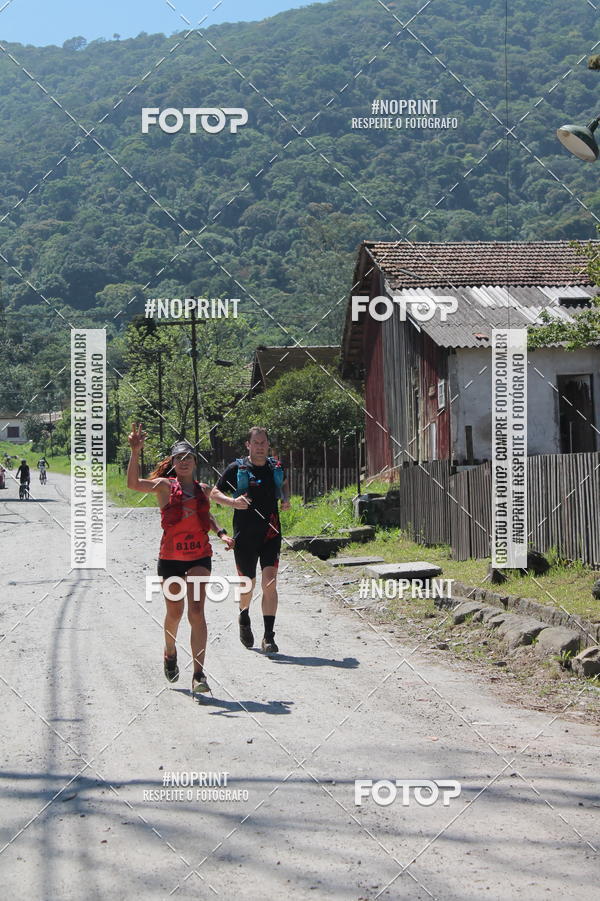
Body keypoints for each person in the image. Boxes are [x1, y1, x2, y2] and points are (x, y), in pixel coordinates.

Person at [127, 424, 234, 694]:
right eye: (179, 458)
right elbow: (133, 484)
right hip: (171, 559)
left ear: (195, 463)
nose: (184, 462)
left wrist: (233, 506)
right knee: (174, 613)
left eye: (188, 458)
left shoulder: (203, 489)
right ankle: (170, 651)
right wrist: (135, 451)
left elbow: (218, 499)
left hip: (199, 557)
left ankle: (199, 675)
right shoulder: (164, 487)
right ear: (173, 463)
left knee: (196, 612)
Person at [211, 426, 290, 655]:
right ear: (248, 445)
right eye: (255, 443)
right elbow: (214, 493)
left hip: (271, 534)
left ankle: (269, 637)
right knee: (248, 585)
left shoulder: (275, 466)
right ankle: (244, 618)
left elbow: (283, 484)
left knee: (270, 583)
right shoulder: (236, 468)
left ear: (268, 445)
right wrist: (233, 502)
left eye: (263, 443)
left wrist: (285, 499)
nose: (259, 447)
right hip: (244, 536)